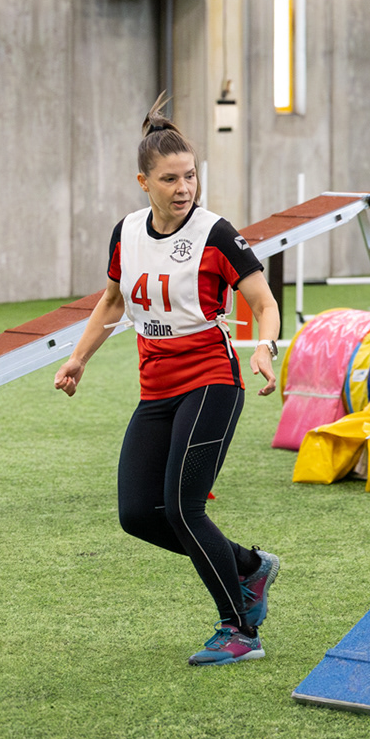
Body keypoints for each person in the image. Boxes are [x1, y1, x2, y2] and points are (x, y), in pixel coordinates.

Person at [55, 98, 284, 666]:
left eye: (191, 176)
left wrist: (266, 347)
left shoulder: (216, 233)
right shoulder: (127, 232)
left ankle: (240, 631)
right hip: (156, 388)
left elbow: (263, 301)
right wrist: (79, 358)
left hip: (212, 380)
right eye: (170, 179)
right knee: (137, 514)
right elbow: (112, 301)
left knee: (183, 507)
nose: (184, 188)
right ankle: (250, 567)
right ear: (144, 182)